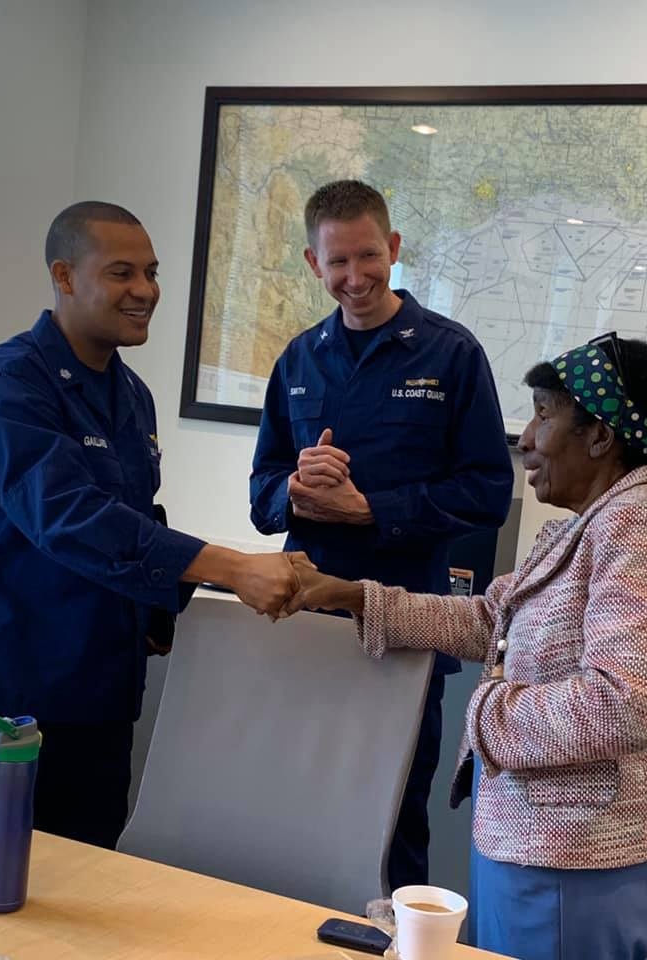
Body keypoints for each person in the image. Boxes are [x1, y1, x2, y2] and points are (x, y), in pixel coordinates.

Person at [283, 333, 647, 960]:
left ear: (600, 436)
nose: (527, 437)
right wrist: (353, 595)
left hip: (572, 856)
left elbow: (625, 702)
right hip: (544, 846)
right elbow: (487, 620)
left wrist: (484, 713)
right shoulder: (591, 524)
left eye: (546, 414)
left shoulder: (640, 523)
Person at [0, 201, 307, 849]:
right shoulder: (9, 386)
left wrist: (165, 613)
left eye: (151, 272)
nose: (145, 290)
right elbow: (71, 519)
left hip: (101, 698)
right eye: (122, 272)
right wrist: (231, 566)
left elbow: (135, 520)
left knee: (90, 889)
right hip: (11, 695)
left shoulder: (132, 395)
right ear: (64, 277)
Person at [249, 180, 513, 888]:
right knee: (295, 806)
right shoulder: (298, 360)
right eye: (337, 263)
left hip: (404, 629)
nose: (355, 277)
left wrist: (374, 509)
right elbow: (261, 496)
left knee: (395, 815)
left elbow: (489, 493)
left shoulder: (451, 355)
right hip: (308, 624)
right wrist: (294, 491)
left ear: (394, 248)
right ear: (313, 264)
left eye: (368, 256)